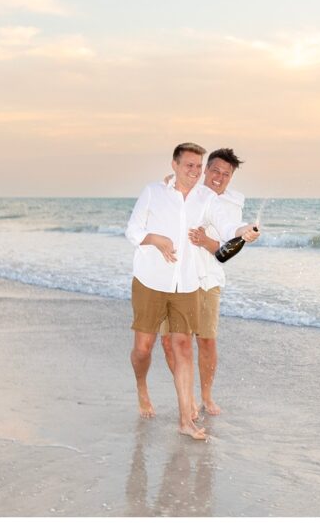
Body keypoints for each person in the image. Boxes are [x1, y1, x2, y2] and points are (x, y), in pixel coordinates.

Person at [125, 143, 259, 440]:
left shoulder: (206, 198)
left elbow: (226, 228)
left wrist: (243, 231)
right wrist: (154, 239)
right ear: (174, 165)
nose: (195, 172)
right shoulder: (154, 191)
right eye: (190, 166)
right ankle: (142, 387)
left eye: (198, 167)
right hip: (151, 279)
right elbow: (132, 230)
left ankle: (186, 419)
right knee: (143, 349)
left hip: (188, 283)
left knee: (183, 346)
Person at [160, 148, 245, 417]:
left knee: (206, 341)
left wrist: (205, 241)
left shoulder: (232, 205)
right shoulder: (184, 190)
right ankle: (187, 396)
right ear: (205, 170)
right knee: (169, 342)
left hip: (208, 280)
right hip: (173, 277)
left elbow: (230, 250)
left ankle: (206, 396)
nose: (219, 177)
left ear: (230, 178)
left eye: (226, 174)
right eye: (215, 170)